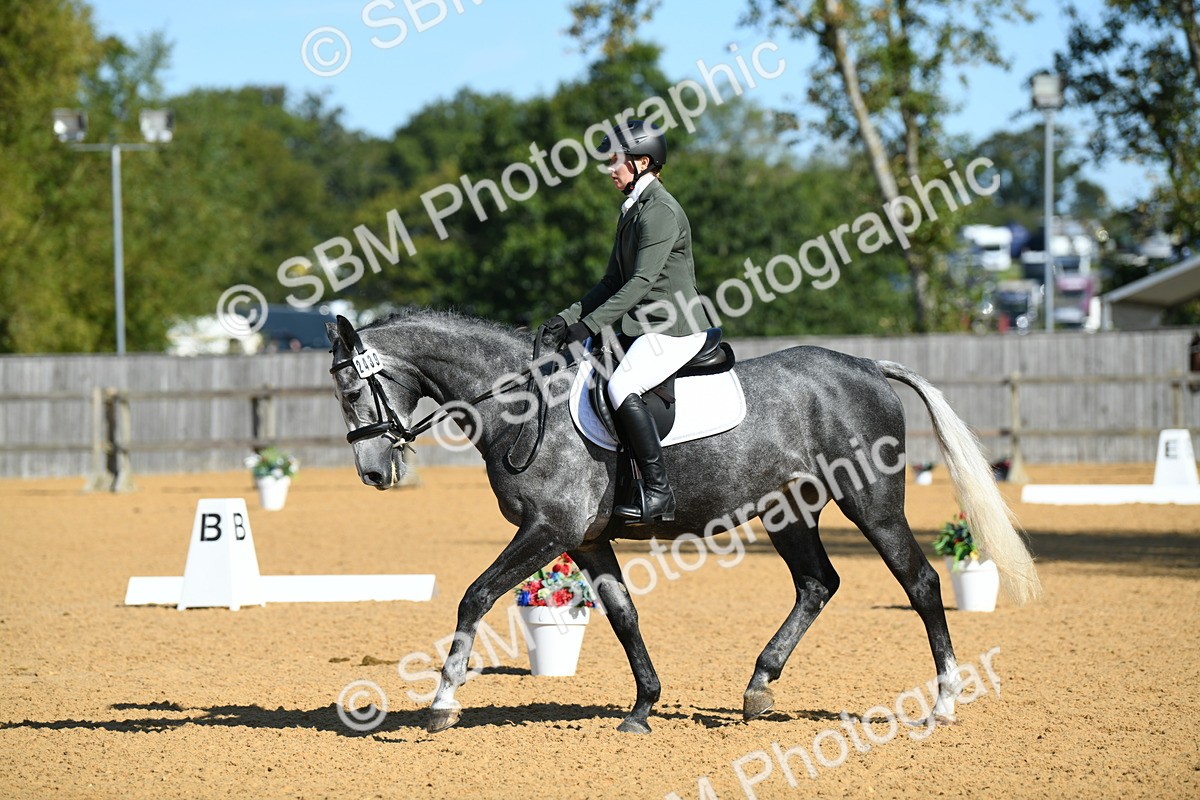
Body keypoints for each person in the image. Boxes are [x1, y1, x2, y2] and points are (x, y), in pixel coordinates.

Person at [542, 119, 716, 524]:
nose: (610, 169)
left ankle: (658, 492)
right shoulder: (633, 211)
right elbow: (611, 281)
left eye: (615, 161)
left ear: (642, 161)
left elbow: (640, 283)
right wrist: (566, 318)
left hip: (675, 327)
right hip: (644, 327)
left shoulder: (660, 212)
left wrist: (588, 326)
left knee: (621, 385)